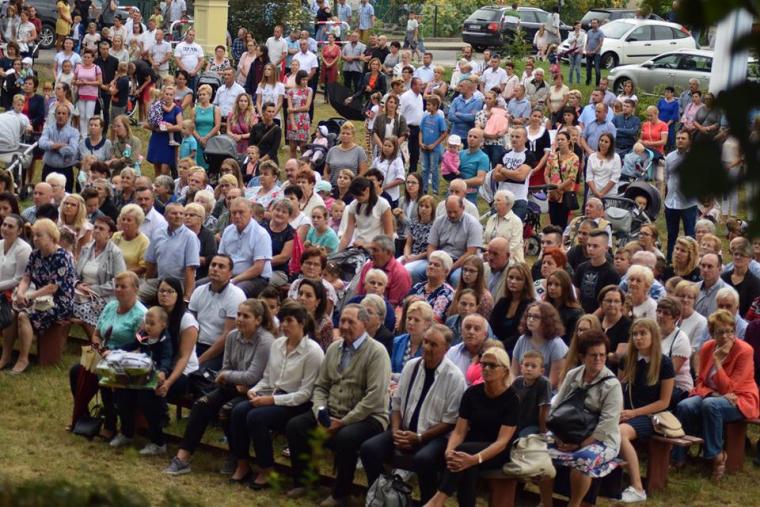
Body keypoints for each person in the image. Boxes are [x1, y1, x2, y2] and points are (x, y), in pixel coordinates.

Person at [285, 304, 390, 505]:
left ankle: (341, 494)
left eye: (351, 322)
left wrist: (343, 422)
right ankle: (306, 481)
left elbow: (374, 397)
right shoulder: (334, 349)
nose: (345, 326)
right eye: (342, 320)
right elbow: (321, 386)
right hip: (332, 411)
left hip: (368, 417)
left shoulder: (377, 352)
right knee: (296, 426)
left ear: (364, 324)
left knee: (345, 438)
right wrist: (320, 412)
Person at [163, 298, 274, 475]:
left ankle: (236, 457)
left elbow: (252, 376)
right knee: (201, 404)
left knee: (229, 411)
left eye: (246, 316)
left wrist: (228, 376)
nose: (240, 319)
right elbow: (225, 368)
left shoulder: (265, 341)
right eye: (238, 314)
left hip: (255, 391)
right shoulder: (232, 336)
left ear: (258, 320)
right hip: (233, 387)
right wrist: (230, 377)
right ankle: (182, 458)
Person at [362, 323, 466, 503]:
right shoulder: (412, 366)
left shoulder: (454, 377)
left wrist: (420, 437)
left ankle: (428, 503)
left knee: (423, 460)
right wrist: (396, 431)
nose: (427, 347)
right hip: (405, 430)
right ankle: (383, 496)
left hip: (435, 438)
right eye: (425, 342)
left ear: (446, 349)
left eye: (433, 344)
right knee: (369, 449)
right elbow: (396, 404)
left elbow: (450, 421)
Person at [227, 300, 323, 487]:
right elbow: (267, 378)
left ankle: (267, 469)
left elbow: (305, 394)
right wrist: (254, 391)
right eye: (282, 320)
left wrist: (270, 400)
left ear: (302, 323)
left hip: (297, 404)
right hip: (273, 394)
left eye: (289, 321)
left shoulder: (313, 352)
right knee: (238, 411)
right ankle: (242, 464)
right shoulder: (278, 344)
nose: (284, 325)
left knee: (256, 417)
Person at [424, 346, 518, 507]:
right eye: (483, 364)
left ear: (505, 371)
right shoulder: (472, 393)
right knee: (465, 463)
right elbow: (459, 431)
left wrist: (475, 458)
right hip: (470, 447)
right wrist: (449, 451)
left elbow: (502, 442)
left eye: (492, 365)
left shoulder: (512, 399)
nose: (486, 368)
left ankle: (437, 500)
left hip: (497, 451)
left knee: (465, 456)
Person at [538, 331, 623, 507]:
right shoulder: (573, 375)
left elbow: (607, 424)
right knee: (540, 451)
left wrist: (580, 444)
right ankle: (546, 503)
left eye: (602, 355)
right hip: (567, 431)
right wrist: (558, 437)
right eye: (593, 355)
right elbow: (556, 406)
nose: (598, 359)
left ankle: (574, 504)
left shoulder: (612, 384)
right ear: (582, 357)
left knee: (583, 460)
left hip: (601, 438)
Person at [674, 309, 759, 480]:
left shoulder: (744, 351)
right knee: (685, 406)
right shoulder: (708, 347)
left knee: (710, 406)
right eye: (720, 332)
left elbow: (730, 389)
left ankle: (716, 456)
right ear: (712, 333)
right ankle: (680, 456)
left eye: (730, 331)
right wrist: (712, 393)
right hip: (711, 394)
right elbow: (700, 381)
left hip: (740, 398)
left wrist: (718, 361)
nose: (726, 336)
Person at [616, 318, 675, 503]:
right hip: (626, 412)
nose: (638, 338)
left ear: (653, 336)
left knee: (620, 433)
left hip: (651, 416)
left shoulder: (664, 363)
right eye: (635, 334)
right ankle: (607, 479)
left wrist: (634, 413)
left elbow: (664, 402)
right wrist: (619, 412)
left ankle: (637, 488)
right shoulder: (627, 359)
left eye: (643, 334)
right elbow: (618, 389)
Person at [6, 219, 76, 374]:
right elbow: (26, 277)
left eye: (39, 235)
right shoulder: (35, 254)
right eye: (34, 235)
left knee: (24, 315)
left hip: (59, 303)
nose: (35, 239)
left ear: (52, 237)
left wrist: (29, 296)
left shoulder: (62, 257)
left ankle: (23, 359)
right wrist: (21, 293)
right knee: (11, 312)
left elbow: (53, 287)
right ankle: (6, 355)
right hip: (39, 299)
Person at [406, 196, 482, 286]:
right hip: (439, 259)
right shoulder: (439, 221)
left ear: (463, 208)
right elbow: (431, 246)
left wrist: (450, 268)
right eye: (449, 212)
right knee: (416, 273)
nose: (452, 215)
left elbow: (471, 252)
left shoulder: (473, 224)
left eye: (455, 212)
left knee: (456, 278)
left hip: (460, 262)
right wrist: (433, 263)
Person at [72, 215, 126, 336]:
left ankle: (96, 341)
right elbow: (75, 273)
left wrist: (92, 290)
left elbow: (119, 281)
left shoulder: (115, 253)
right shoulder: (86, 248)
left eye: (101, 229)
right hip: (81, 292)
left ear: (110, 234)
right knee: (64, 304)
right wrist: (78, 285)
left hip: (104, 296)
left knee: (82, 309)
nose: (96, 230)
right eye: (95, 227)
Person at [218, 197, 273, 298]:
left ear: (251, 213)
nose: (237, 216)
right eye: (233, 213)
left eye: (241, 212)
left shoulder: (261, 234)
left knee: (234, 292)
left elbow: (258, 268)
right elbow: (221, 257)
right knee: (200, 285)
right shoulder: (228, 231)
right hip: (229, 275)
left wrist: (233, 280)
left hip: (256, 278)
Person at [511, 301, 568, 389]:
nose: (530, 319)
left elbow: (553, 383)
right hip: (522, 389)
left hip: (546, 392)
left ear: (547, 321)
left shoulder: (556, 344)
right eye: (529, 315)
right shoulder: (522, 340)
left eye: (536, 317)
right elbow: (513, 373)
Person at [489, 263, 536, 355]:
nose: (513, 281)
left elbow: (522, 334)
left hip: (518, 350)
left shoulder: (531, 305)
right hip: (496, 347)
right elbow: (491, 326)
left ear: (526, 283)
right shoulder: (502, 302)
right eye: (510, 277)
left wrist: (501, 345)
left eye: (518, 279)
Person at [338, 177, 393, 251]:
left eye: (358, 195)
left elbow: (389, 235)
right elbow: (347, 235)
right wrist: (338, 253)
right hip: (359, 248)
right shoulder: (353, 205)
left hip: (377, 249)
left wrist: (368, 245)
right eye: (354, 196)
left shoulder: (383, 204)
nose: (356, 198)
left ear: (367, 190)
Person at [574, 229, 620, 314]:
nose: (590, 249)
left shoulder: (611, 273)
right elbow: (577, 293)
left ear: (606, 248)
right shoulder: (581, 268)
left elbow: (608, 301)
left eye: (595, 246)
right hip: (581, 313)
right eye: (589, 245)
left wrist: (592, 318)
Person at [39, 105, 79, 193]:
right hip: (49, 169)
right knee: (46, 194)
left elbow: (72, 150)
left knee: (66, 195)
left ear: (68, 116)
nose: (61, 115)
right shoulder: (48, 129)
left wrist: (53, 147)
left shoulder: (74, 132)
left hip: (65, 170)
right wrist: (60, 145)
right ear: (55, 115)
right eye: (59, 113)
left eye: (64, 113)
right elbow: (41, 143)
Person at [545, 131, 580, 229]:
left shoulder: (574, 158)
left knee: (562, 222)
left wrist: (558, 188)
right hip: (552, 194)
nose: (560, 141)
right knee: (553, 221)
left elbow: (572, 177)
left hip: (565, 193)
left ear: (568, 141)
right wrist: (551, 188)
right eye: (558, 139)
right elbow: (546, 174)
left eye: (562, 139)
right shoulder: (552, 156)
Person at [392, 300, 434, 374]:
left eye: (416, 320)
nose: (411, 322)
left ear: (427, 324)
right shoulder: (397, 341)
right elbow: (391, 368)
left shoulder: (431, 347)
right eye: (409, 318)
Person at [722, 237, 760, 317]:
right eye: (736, 254)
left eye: (742, 255)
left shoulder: (755, 283)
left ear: (750, 259)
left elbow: (751, 309)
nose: (738, 257)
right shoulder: (723, 278)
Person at [483, 189, 524, 265]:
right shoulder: (491, 219)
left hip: (510, 261)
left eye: (498, 200)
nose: (495, 203)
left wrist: (497, 255)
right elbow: (484, 240)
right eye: (494, 200)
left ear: (508, 204)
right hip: (489, 257)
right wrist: (486, 251)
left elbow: (514, 245)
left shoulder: (516, 221)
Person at [545, 270, 584, 345]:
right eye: (549, 284)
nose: (552, 288)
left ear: (565, 287)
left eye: (557, 285)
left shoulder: (575, 313)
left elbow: (572, 341)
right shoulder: (543, 308)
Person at [324, 122, 368, 187]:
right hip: (333, 187)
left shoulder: (359, 151)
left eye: (348, 134)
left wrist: (354, 184)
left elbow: (363, 171)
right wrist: (327, 184)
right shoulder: (332, 150)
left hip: (351, 188)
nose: (345, 135)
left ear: (353, 135)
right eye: (343, 133)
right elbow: (326, 171)